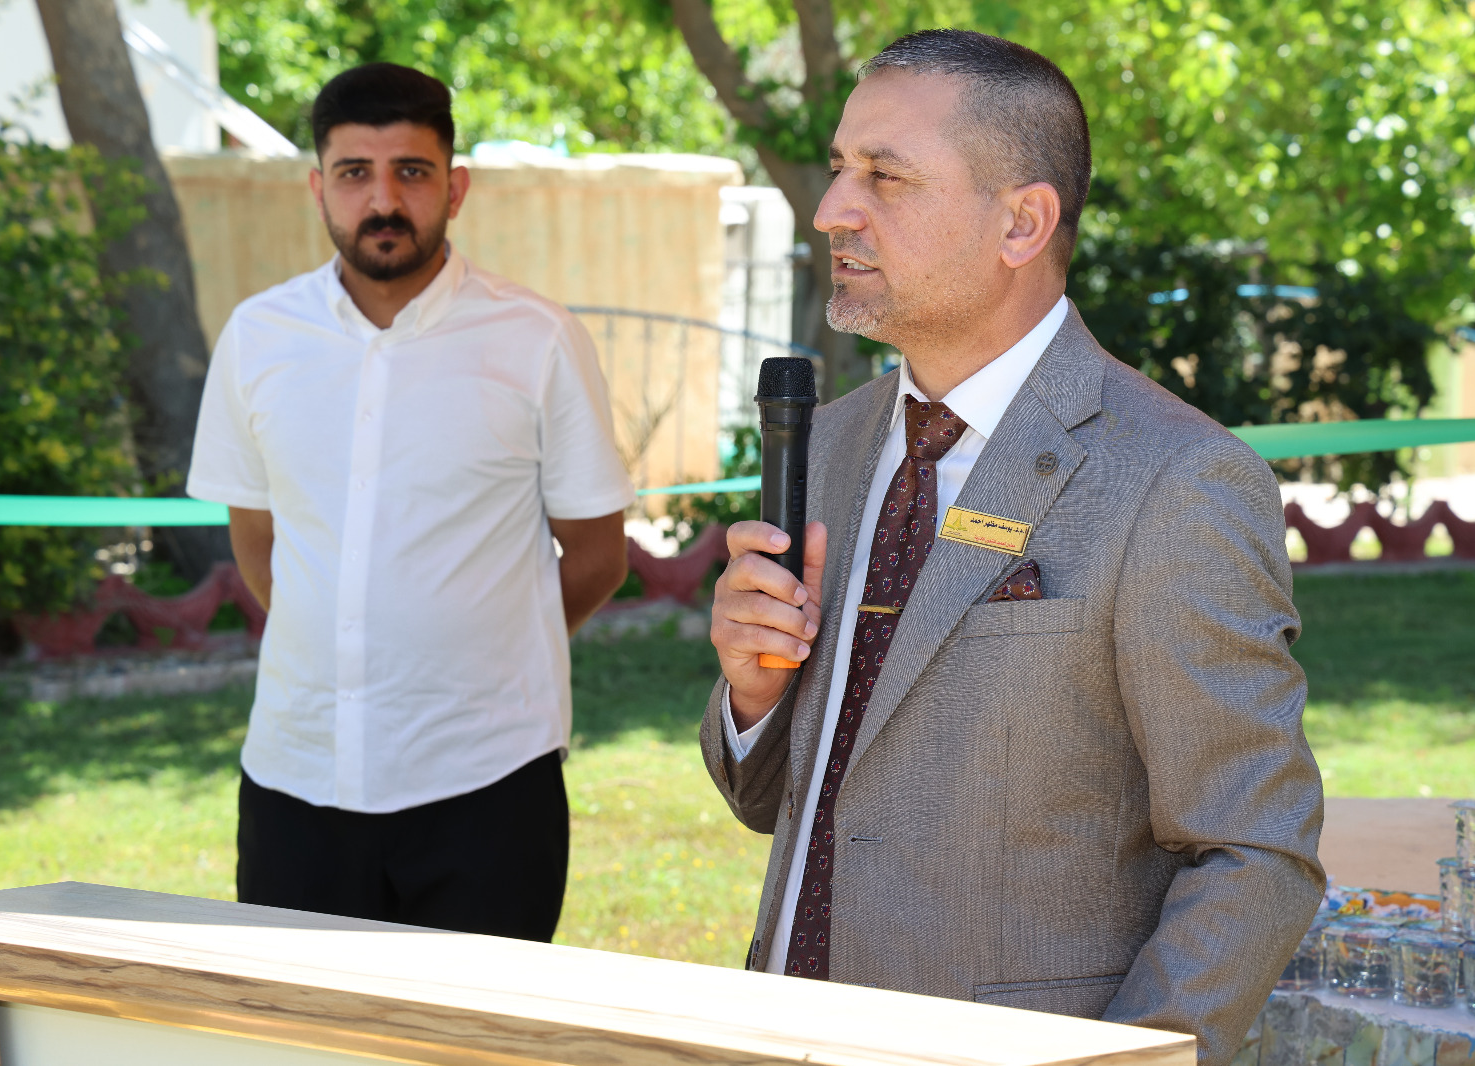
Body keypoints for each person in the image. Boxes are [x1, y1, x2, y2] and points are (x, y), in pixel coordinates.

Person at [703, 29, 1323, 1066]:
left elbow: (1253, 852)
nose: (832, 209)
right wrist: (753, 697)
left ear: (1022, 222)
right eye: (842, 166)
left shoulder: (1176, 480)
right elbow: (786, 803)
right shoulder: (829, 444)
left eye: (884, 176)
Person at [187, 63, 634, 939]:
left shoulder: (537, 340)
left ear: (454, 188)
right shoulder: (258, 337)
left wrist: (482, 654)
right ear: (318, 187)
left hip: (489, 785)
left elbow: (597, 555)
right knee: (299, 1019)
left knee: (477, 1019)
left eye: (412, 172)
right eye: (355, 172)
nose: (383, 200)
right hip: (295, 778)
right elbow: (258, 542)